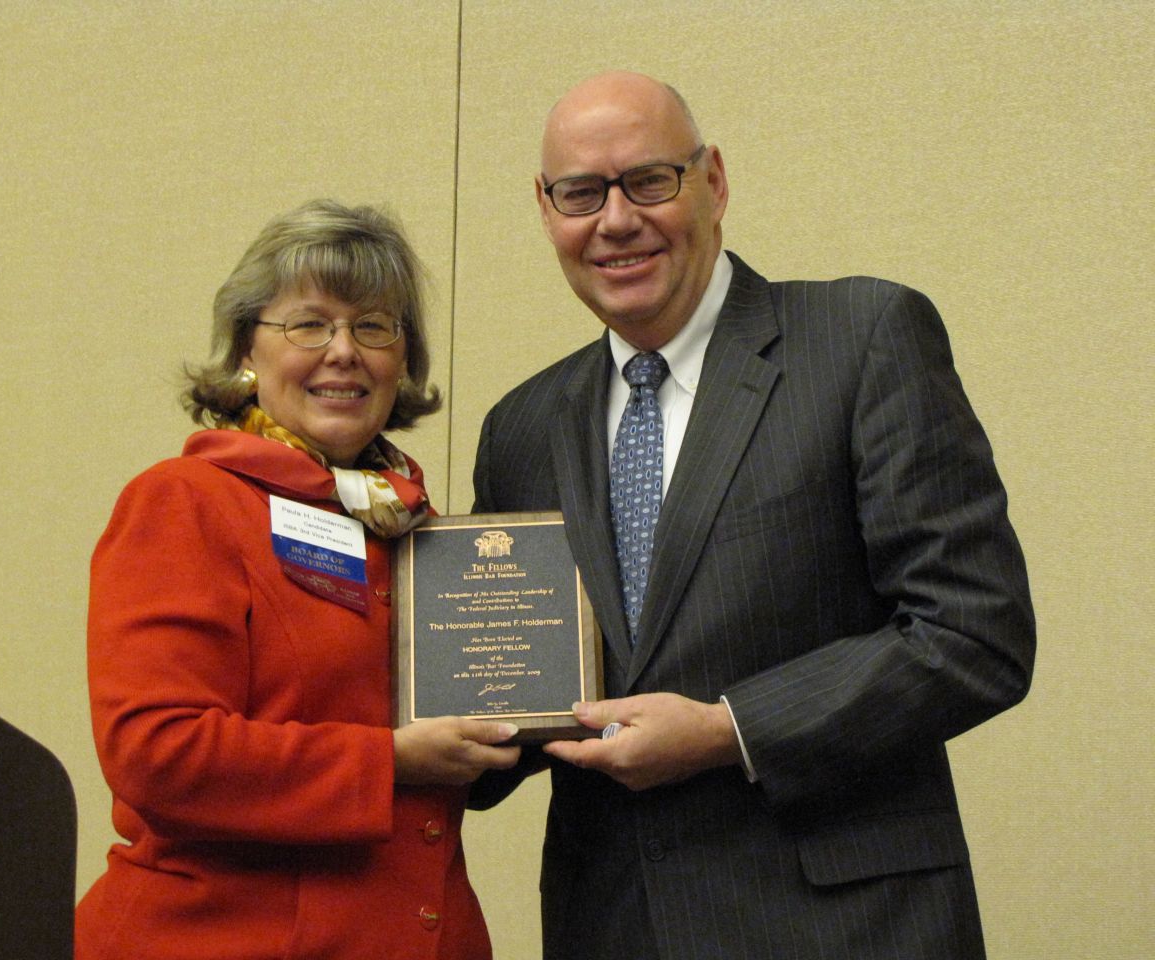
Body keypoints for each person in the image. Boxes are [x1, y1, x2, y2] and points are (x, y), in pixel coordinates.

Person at [469, 71, 1035, 960]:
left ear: (715, 180)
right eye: (581, 193)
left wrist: (730, 730)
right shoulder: (523, 427)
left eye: (649, 180)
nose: (615, 220)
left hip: (847, 927)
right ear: (546, 210)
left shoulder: (861, 337)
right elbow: (503, 690)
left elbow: (975, 633)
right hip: (615, 925)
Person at [76, 200, 520, 960]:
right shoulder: (187, 501)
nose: (343, 351)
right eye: (308, 324)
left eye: (374, 325)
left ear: (402, 360)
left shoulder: (416, 530)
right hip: (216, 940)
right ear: (247, 352)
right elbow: (158, 751)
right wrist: (393, 761)